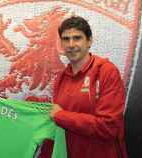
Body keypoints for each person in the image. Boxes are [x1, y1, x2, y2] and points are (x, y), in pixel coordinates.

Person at [48, 16, 128, 158]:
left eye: (77, 38)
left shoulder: (106, 72)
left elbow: (109, 127)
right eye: (66, 39)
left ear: (89, 41)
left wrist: (61, 116)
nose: (71, 44)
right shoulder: (61, 78)